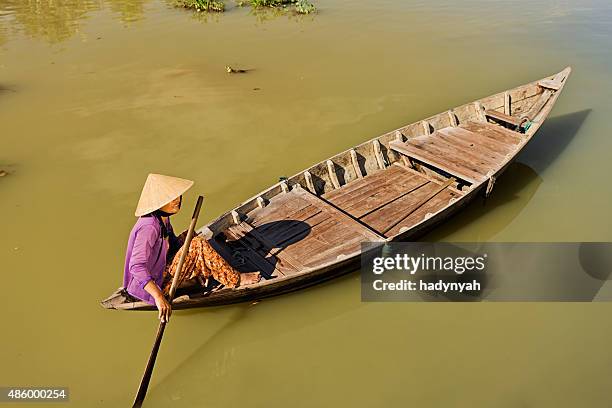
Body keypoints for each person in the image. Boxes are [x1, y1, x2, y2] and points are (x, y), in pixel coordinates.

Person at [123, 173, 260, 323]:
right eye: (171, 198)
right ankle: (235, 279)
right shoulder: (149, 227)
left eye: (177, 196)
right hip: (154, 286)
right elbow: (136, 267)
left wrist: (189, 245)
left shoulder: (162, 218)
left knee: (190, 236)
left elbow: (174, 244)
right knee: (198, 244)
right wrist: (159, 297)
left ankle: (201, 270)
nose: (177, 200)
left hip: (161, 268)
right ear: (158, 204)